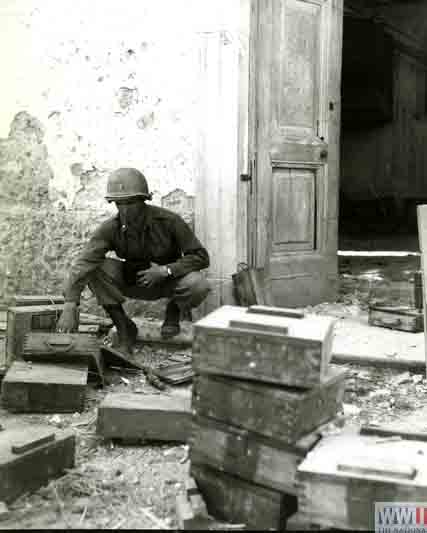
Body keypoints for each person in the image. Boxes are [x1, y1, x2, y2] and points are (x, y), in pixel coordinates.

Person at [57, 167, 211, 355]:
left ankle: (174, 309)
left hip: (168, 283)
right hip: (133, 281)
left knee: (198, 284)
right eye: (119, 203)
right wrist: (70, 303)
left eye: (131, 202)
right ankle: (124, 328)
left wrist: (165, 270)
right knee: (94, 269)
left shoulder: (170, 221)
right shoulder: (110, 228)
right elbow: (83, 263)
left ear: (143, 200)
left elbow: (201, 257)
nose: (126, 210)